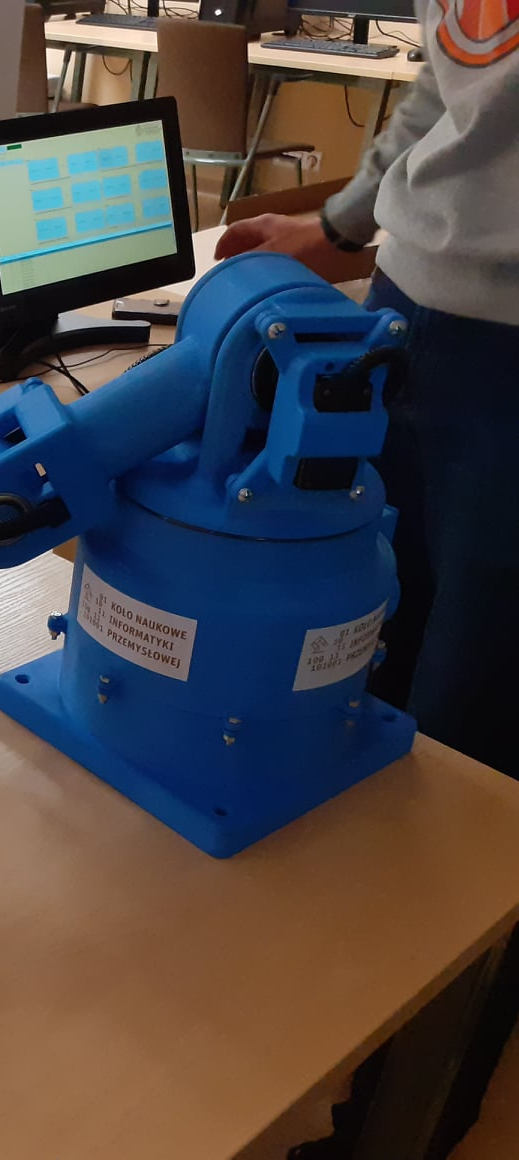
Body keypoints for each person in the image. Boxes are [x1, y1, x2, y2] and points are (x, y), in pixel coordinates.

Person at [216, 0, 519, 781]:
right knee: (355, 633)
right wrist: (338, 227)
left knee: (472, 713)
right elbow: (450, 81)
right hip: (401, 311)